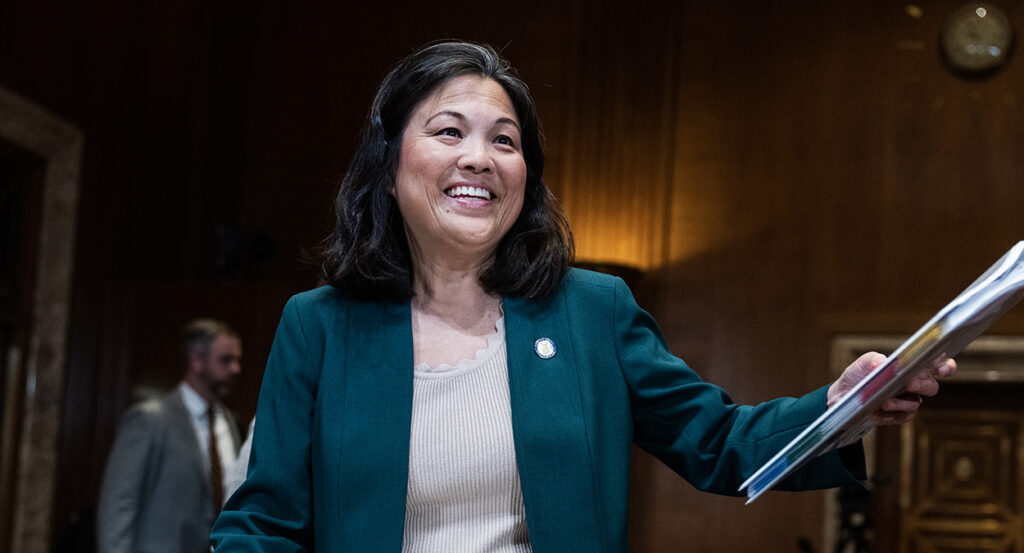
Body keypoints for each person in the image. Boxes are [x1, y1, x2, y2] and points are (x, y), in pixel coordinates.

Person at [210, 41, 955, 552]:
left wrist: (841, 409)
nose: (480, 158)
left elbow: (719, 443)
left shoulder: (592, 311)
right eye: (449, 131)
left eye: (506, 141)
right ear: (390, 160)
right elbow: (263, 522)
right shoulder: (319, 325)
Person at [97, 318, 244, 553]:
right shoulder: (149, 420)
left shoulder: (230, 423)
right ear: (197, 361)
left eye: (237, 360)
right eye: (226, 360)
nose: (236, 369)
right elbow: (120, 505)